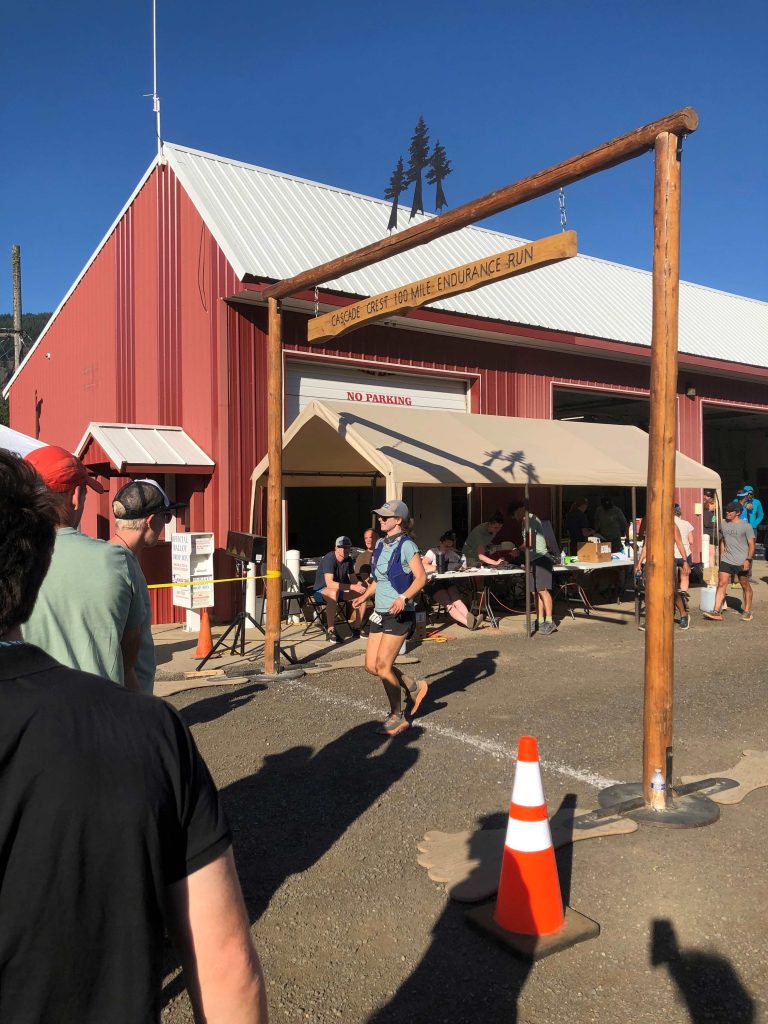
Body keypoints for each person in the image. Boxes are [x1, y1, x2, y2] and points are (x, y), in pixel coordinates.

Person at [0, 450, 268, 1024]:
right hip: (106, 750)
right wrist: (146, 739)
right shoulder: (114, 567)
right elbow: (227, 965)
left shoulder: (66, 565)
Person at [22, 445, 144, 690]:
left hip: (26, 721)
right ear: (76, 496)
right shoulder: (118, 561)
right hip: (101, 716)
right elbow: (128, 658)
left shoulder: (9, 562)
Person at [352, 500, 428, 737]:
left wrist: (403, 598)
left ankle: (398, 716)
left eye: (386, 517)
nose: (381, 520)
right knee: (371, 666)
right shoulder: (381, 544)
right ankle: (413, 686)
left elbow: (421, 578)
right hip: (380, 612)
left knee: (384, 667)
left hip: (399, 613)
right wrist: (365, 596)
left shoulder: (407, 546)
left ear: (399, 520)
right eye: (380, 517)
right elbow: (378, 580)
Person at [109, 479, 186, 695]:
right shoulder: (124, 566)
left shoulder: (114, 558)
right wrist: (142, 707)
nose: (165, 525)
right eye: (166, 516)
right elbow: (124, 651)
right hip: (130, 699)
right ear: (151, 521)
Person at [703, 501, 755, 622]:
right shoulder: (724, 524)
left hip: (742, 560)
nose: (727, 512)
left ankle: (747, 611)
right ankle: (716, 611)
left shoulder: (746, 526)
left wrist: (748, 560)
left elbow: (751, 544)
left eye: (730, 511)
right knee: (721, 583)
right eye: (727, 510)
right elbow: (723, 540)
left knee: (745, 585)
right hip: (727, 560)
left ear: (737, 513)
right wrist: (721, 555)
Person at [636, 515, 690, 628]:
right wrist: (640, 562)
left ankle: (684, 614)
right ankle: (652, 619)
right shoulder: (650, 527)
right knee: (650, 592)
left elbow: (680, 543)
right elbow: (646, 546)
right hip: (652, 562)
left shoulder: (672, 526)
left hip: (668, 562)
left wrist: (685, 561)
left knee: (672, 592)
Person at [510, 502, 556, 636]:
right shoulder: (525, 521)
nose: (515, 517)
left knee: (542, 590)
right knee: (534, 592)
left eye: (514, 514)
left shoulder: (530, 519)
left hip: (541, 558)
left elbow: (530, 542)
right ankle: (540, 620)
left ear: (520, 510)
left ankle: (549, 621)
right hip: (532, 559)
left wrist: (518, 550)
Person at [313, 535, 367, 643]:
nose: (346, 550)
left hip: (339, 590)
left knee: (363, 592)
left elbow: (353, 580)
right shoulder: (329, 558)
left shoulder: (349, 560)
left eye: (348, 547)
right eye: (342, 547)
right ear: (336, 548)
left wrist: (363, 585)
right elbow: (329, 583)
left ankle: (357, 627)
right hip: (321, 591)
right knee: (334, 592)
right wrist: (352, 586)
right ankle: (331, 630)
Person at [422, 531, 478, 630]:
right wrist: (438, 567)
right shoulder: (432, 551)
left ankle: (471, 620)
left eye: (450, 547)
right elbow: (423, 564)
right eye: (446, 546)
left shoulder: (452, 553)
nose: (448, 549)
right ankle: (468, 623)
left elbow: (461, 565)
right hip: (433, 583)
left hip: (446, 581)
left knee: (457, 601)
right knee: (449, 604)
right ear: (441, 542)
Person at [673, 502, 695, 620]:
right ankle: (683, 594)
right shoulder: (686, 523)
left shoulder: (668, 523)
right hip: (684, 553)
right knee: (684, 576)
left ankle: (675, 597)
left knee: (673, 579)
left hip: (672, 554)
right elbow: (691, 541)